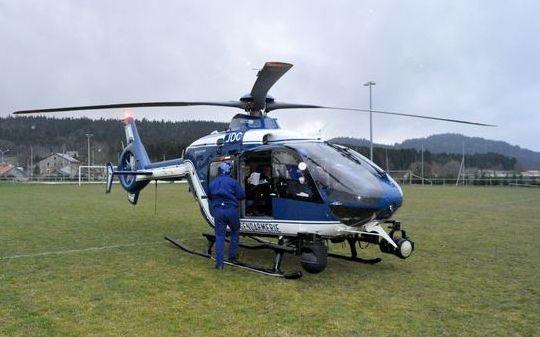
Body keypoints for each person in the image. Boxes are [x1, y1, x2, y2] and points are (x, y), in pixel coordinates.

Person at [209, 162, 245, 270]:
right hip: (231, 210)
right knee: (235, 231)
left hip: (218, 211)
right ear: (229, 171)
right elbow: (241, 195)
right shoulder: (233, 182)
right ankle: (232, 256)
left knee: (219, 235)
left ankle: (219, 263)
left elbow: (209, 195)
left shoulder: (213, 183)